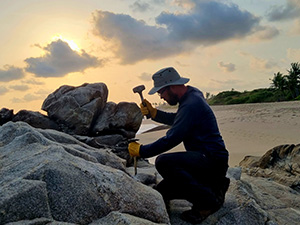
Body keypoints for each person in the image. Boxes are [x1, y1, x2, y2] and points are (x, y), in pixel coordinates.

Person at [128, 67, 230, 224]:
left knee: (163, 162)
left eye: (161, 92)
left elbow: (172, 138)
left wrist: (142, 151)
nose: (161, 96)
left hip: (211, 160)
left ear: (172, 86)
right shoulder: (192, 94)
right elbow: (181, 119)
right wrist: (156, 114)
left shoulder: (191, 104)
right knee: (162, 192)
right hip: (207, 158)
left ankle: (208, 202)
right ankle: (216, 186)